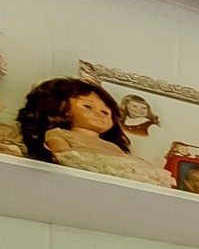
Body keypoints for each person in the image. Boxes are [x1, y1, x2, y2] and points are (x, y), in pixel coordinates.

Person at [15, 78, 174, 187]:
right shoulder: (58, 134)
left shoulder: (112, 146)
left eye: (105, 111)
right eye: (87, 107)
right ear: (59, 109)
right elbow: (63, 155)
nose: (99, 114)